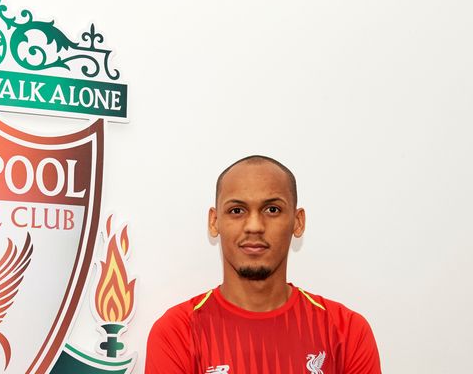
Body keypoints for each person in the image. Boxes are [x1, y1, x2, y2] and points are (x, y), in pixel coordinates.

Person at [145, 155, 381, 374]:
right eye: (237, 210)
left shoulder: (346, 331)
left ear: (297, 222)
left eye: (272, 209)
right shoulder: (178, 332)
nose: (254, 226)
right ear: (215, 222)